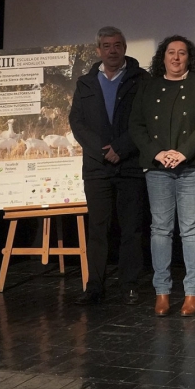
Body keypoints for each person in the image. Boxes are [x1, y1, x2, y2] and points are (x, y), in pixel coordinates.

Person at [130, 36, 195, 317]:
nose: (176, 57)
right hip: (157, 168)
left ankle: (192, 293)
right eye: (171, 52)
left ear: (189, 58)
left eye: (182, 53)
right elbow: (136, 125)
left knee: (191, 229)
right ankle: (162, 293)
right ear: (163, 57)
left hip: (192, 166)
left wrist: (183, 153)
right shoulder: (148, 85)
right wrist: (158, 153)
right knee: (160, 229)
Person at [69, 27, 149, 305]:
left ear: (124, 47)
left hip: (131, 165)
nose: (112, 50)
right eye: (106, 46)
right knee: (98, 229)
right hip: (96, 167)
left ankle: (130, 285)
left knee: (131, 228)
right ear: (98, 50)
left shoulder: (141, 79)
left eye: (117, 45)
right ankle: (95, 287)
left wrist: (121, 148)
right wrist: (103, 151)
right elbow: (77, 123)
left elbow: (146, 120)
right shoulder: (85, 83)